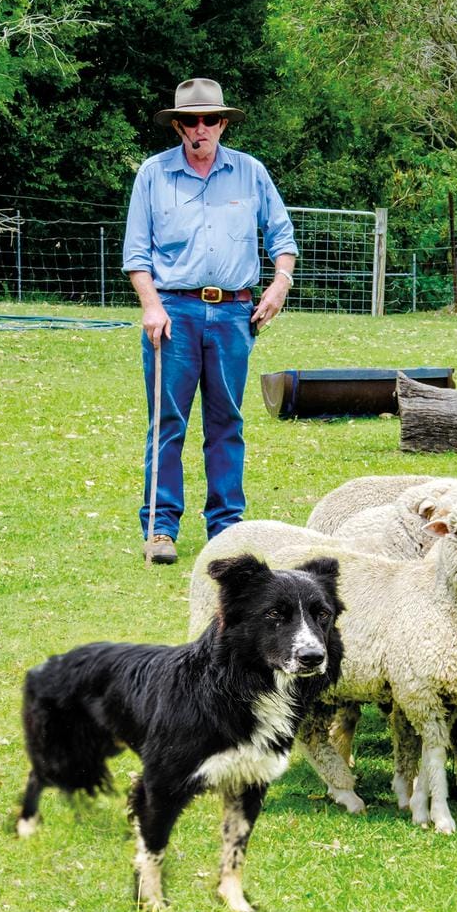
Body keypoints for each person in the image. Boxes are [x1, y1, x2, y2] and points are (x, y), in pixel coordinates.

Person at [123, 78, 296, 564]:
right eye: (192, 121)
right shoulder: (153, 175)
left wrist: (279, 285)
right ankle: (160, 529)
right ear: (178, 126)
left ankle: (227, 529)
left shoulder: (251, 172)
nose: (202, 129)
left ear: (223, 124)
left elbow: (282, 237)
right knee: (167, 422)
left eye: (211, 120)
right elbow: (136, 253)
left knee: (227, 422)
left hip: (233, 313)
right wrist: (151, 306)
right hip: (172, 313)